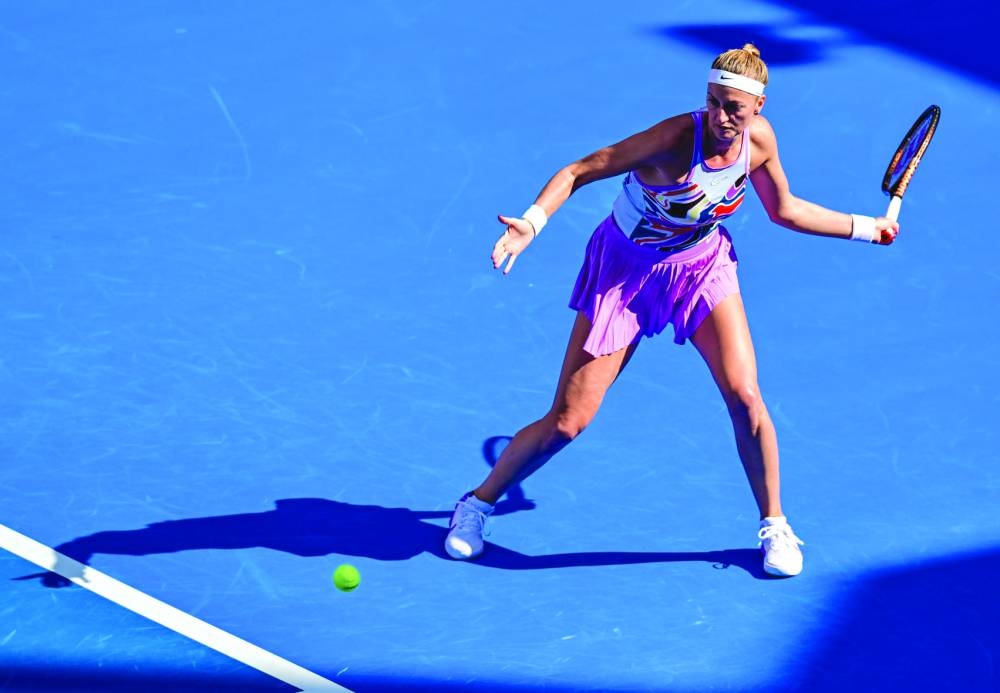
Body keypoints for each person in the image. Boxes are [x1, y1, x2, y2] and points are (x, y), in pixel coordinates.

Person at [445, 44, 898, 577]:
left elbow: (785, 210)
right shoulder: (675, 139)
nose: (721, 116)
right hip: (624, 274)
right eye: (713, 102)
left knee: (745, 396)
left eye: (734, 107)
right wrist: (533, 221)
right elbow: (579, 171)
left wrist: (867, 228)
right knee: (568, 423)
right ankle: (475, 504)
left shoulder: (760, 141)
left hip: (701, 269)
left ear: (760, 106)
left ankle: (775, 523)